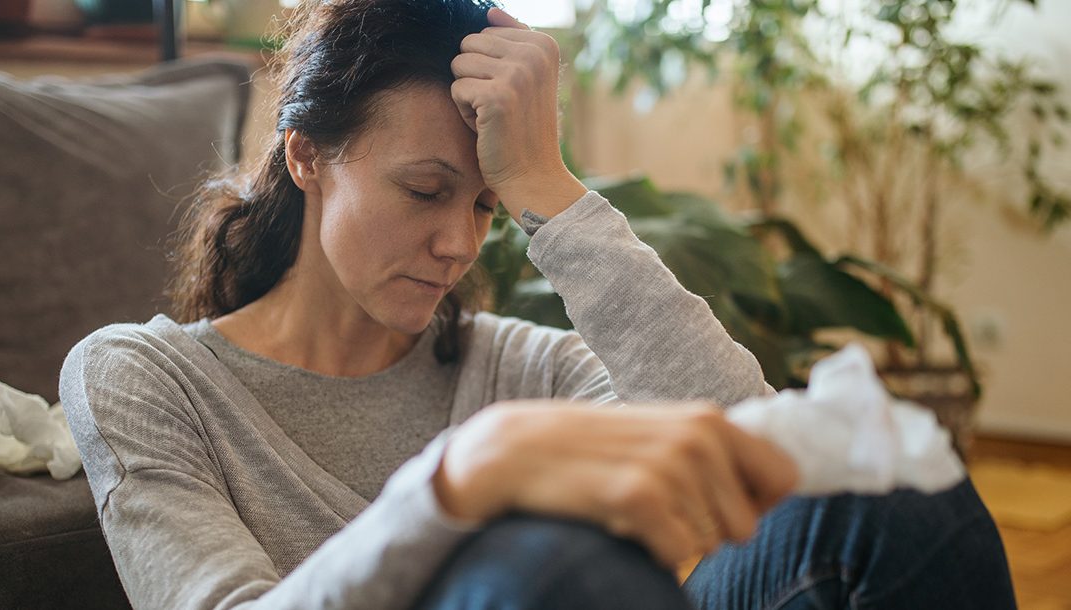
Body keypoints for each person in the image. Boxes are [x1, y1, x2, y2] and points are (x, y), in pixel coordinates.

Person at [59, 1, 1017, 608]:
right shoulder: (146, 377)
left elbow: (755, 449)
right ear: (306, 153)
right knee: (549, 577)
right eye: (426, 190)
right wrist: (454, 485)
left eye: (486, 206)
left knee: (885, 486)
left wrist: (548, 189)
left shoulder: (524, 364)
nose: (458, 243)